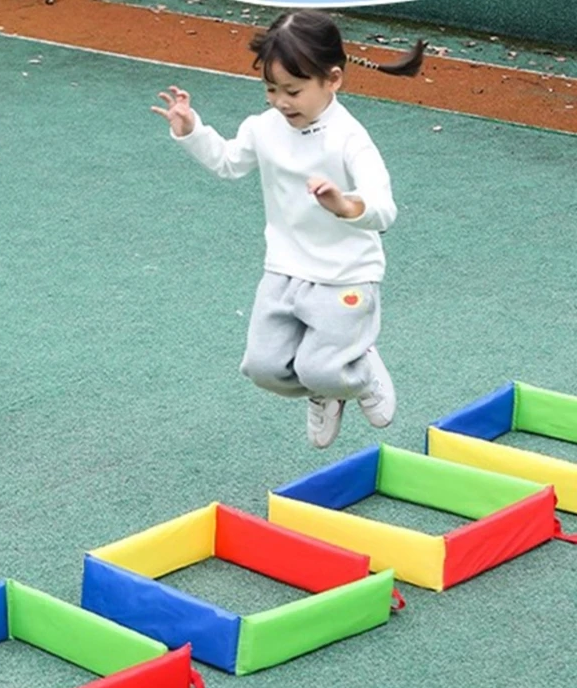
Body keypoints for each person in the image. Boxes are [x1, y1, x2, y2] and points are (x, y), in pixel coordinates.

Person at [151, 11, 424, 448]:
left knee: (322, 366)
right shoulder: (264, 128)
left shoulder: (349, 138)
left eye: (293, 91)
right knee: (263, 368)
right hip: (284, 270)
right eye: (271, 90)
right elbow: (227, 162)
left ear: (332, 80)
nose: (281, 101)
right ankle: (327, 390)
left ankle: (359, 374)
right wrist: (191, 130)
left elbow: (384, 209)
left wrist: (344, 204)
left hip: (346, 274)